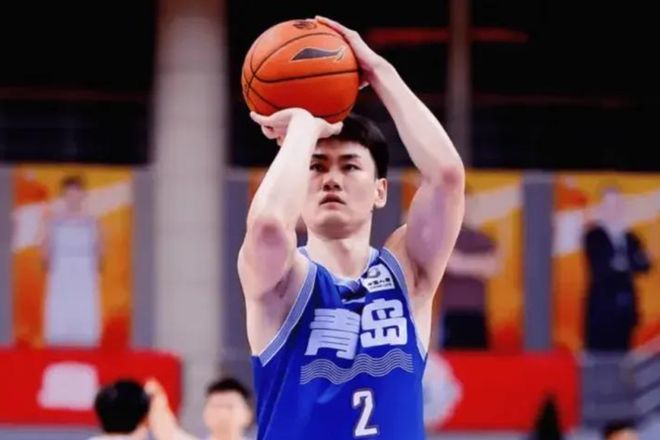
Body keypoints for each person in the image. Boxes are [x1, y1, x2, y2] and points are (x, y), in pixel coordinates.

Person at [238, 16, 465, 440]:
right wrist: (303, 129)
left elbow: (448, 177)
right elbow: (268, 224)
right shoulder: (284, 283)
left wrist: (380, 71)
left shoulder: (407, 274)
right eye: (316, 166)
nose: (332, 179)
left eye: (349, 166)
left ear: (380, 191)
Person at [584, 186, 651, 352]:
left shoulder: (630, 237)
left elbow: (645, 265)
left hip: (625, 309)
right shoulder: (594, 236)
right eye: (609, 206)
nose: (613, 210)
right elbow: (602, 267)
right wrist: (631, 262)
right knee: (600, 357)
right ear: (602, 209)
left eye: (616, 205)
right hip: (602, 310)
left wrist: (624, 263)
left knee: (624, 355)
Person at [41, 175, 104, 346]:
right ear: (63, 195)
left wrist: (96, 269)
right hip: (61, 273)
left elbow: (100, 249)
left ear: (83, 195)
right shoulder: (53, 220)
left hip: (84, 274)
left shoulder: (93, 221)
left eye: (77, 193)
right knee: (59, 315)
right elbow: (45, 250)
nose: (73, 198)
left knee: (85, 314)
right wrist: (47, 261)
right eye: (69, 194)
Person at [440, 187, 500, 350]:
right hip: (452, 313)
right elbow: (452, 264)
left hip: (478, 314)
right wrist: (478, 264)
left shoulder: (484, 239)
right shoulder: (442, 236)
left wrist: (461, 262)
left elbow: (493, 268)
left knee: (478, 362)